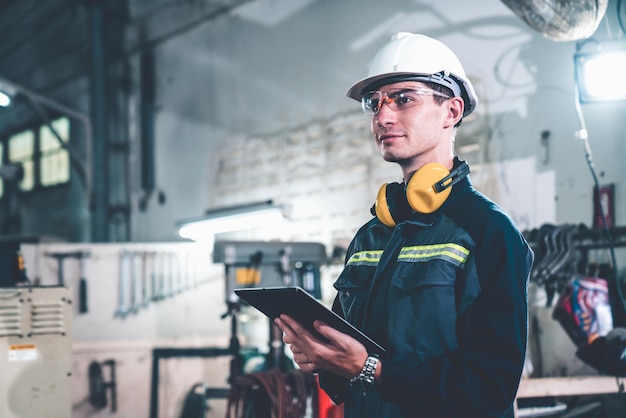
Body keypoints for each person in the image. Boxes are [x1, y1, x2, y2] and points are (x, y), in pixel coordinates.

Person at [275, 32, 534, 418]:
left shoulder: (488, 231)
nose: (382, 116)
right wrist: (321, 356)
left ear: (452, 111)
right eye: (374, 102)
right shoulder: (371, 235)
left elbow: (491, 386)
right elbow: (345, 368)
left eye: (404, 98)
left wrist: (372, 371)